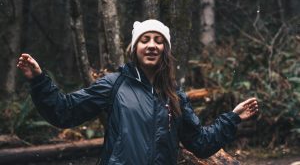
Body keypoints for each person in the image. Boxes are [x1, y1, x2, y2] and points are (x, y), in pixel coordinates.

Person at [17, 19, 259, 165]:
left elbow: (200, 143)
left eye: (158, 40)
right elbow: (64, 112)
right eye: (145, 40)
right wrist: (39, 80)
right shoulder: (114, 84)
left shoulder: (174, 95)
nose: (152, 45)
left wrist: (232, 118)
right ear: (135, 48)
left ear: (165, 49)